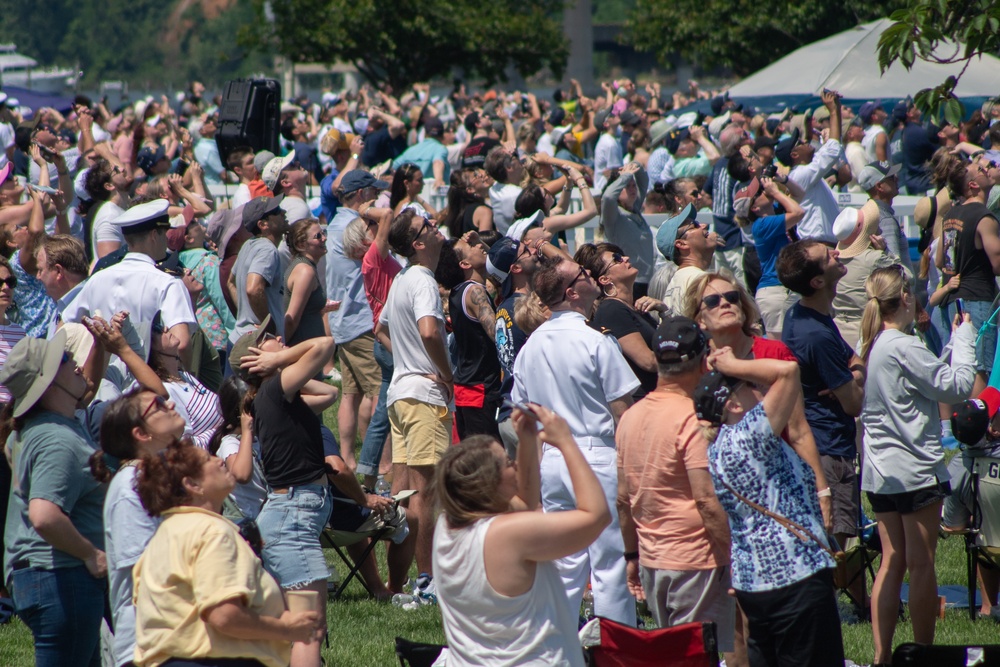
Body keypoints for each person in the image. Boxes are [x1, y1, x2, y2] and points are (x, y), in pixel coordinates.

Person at [512, 255, 640, 626]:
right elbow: (623, 413)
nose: (590, 276)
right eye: (584, 274)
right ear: (572, 292)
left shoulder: (530, 347)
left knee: (565, 564)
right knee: (610, 561)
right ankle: (619, 645)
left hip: (552, 462)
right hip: (597, 457)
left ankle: (559, 639)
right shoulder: (595, 342)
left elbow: (526, 423)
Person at [858, 265, 976, 665]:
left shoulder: (876, 343)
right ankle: (923, 655)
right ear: (905, 297)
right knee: (920, 563)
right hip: (913, 470)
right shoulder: (902, 345)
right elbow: (957, 387)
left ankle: (881, 656)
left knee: (892, 562)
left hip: (882, 472)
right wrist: (963, 340)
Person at [700, 350, 844, 667]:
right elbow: (788, 372)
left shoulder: (717, 447)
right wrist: (734, 365)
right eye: (751, 386)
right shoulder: (749, 434)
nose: (761, 391)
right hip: (795, 578)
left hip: (755, 582)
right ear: (733, 405)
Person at [433, 406, 606, 667]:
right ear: (488, 484)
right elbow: (597, 516)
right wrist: (566, 442)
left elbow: (524, 503)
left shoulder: (447, 526)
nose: (514, 464)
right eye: (507, 462)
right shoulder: (507, 535)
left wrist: (527, 440)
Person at [132, 441, 323, 667]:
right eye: (207, 459)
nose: (220, 459)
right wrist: (286, 628)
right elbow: (224, 616)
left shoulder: (165, 534)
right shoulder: (211, 532)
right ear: (192, 484)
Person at [616, 317, 738, 661]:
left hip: (654, 562)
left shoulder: (630, 417)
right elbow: (706, 499)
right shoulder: (692, 418)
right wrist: (735, 557)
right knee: (698, 658)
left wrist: (631, 555)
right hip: (697, 562)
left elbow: (623, 500)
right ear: (703, 362)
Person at [230, 316, 335, 667]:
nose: (278, 337)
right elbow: (325, 345)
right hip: (292, 518)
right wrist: (279, 361)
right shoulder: (274, 391)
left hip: (287, 515)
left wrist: (280, 360)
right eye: (268, 340)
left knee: (302, 628)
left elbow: (330, 393)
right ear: (257, 359)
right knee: (309, 630)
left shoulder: (275, 397)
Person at [0, 330, 107, 667]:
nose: (76, 365)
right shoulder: (55, 438)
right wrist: (91, 554)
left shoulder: (46, 428)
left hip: (52, 578)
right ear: (46, 383)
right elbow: (44, 514)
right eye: (65, 360)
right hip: (61, 576)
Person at [778, 239, 866, 575]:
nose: (837, 253)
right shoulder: (816, 334)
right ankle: (851, 606)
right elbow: (854, 403)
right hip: (829, 448)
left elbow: (854, 360)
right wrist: (856, 374)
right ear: (817, 281)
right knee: (839, 539)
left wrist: (852, 371)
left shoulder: (805, 316)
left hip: (823, 442)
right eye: (828, 256)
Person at [381, 208, 453, 603]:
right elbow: (429, 331)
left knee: (405, 495)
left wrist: (405, 365)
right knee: (427, 495)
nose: (435, 227)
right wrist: (445, 373)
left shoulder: (401, 279)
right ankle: (427, 582)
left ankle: (403, 582)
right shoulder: (422, 278)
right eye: (427, 226)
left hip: (401, 394)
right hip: (423, 398)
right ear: (419, 243)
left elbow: (381, 329)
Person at [91, 377, 183, 667]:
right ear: (141, 434)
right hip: (149, 645)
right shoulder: (130, 486)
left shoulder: (160, 479)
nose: (169, 403)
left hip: (178, 637)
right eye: (157, 405)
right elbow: (145, 572)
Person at [63, 199, 198, 364]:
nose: (167, 240)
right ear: (154, 235)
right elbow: (182, 343)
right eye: (164, 233)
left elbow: (63, 327)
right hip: (148, 381)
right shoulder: (167, 283)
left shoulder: (97, 279)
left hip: (104, 381)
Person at [327, 170, 387, 470]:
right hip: (362, 321)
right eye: (373, 192)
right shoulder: (353, 227)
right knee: (379, 393)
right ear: (362, 195)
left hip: (343, 321)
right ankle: (378, 462)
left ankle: (350, 456)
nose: (377, 198)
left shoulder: (334, 224)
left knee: (351, 394)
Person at [575, 242, 665, 400]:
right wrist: (691, 358)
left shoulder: (634, 308)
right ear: (604, 279)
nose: (626, 258)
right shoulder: (612, 310)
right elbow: (648, 361)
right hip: (643, 401)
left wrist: (664, 311)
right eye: (617, 259)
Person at [434, 231, 502, 439]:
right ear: (464, 264)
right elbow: (498, 335)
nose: (479, 246)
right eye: (471, 246)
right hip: (480, 390)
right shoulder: (475, 292)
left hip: (467, 387)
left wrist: (480, 243)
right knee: (487, 460)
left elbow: (501, 266)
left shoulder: (459, 291)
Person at [732, 177, 804, 338]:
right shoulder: (762, 224)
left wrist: (783, 179)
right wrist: (776, 192)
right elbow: (799, 212)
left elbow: (799, 195)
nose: (764, 191)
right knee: (779, 344)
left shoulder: (776, 212)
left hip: (784, 288)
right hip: (775, 291)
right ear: (755, 208)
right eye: (758, 193)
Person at [144, 311, 223, 449]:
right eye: (157, 330)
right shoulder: (167, 390)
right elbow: (188, 446)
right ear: (151, 351)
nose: (165, 328)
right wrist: (225, 431)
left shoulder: (185, 376)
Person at [229, 195, 289, 344]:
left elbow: (230, 282)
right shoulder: (267, 249)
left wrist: (247, 316)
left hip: (240, 338)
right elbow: (254, 289)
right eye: (276, 211)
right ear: (263, 224)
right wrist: (269, 325)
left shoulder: (249, 244)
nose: (283, 212)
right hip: (258, 344)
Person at [208, 375, 269, 521]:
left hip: (263, 518)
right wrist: (247, 431)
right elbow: (241, 475)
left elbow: (328, 394)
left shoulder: (260, 438)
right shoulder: (229, 443)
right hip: (243, 520)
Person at [600, 162, 654, 298]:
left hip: (646, 282)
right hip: (627, 283)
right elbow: (608, 197)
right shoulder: (613, 215)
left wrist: (633, 166)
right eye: (626, 187)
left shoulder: (634, 208)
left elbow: (643, 179)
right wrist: (624, 177)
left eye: (633, 185)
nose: (632, 189)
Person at [283, 218, 338, 346]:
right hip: (301, 351)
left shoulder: (307, 267)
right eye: (318, 236)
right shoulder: (305, 271)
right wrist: (281, 350)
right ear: (301, 245)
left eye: (323, 232)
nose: (324, 238)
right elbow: (291, 319)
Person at [441, 168, 493, 237]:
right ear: (470, 189)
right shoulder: (484, 212)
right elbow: (486, 244)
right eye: (475, 175)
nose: (480, 175)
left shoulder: (459, 211)